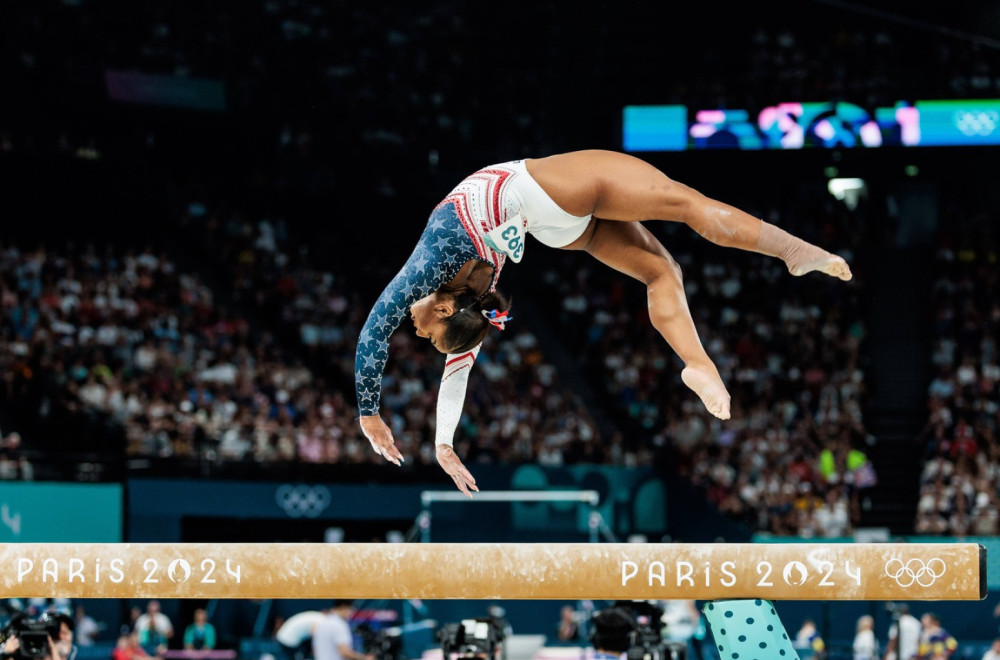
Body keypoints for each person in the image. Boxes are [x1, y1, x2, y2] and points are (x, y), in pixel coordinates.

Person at [354, 150, 853, 493]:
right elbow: (417, 349)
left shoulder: (443, 280)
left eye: (423, 335)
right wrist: (435, 441)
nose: (414, 331)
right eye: (425, 337)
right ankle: (791, 252)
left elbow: (381, 330)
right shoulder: (445, 282)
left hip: (550, 224)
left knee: (663, 271)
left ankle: (700, 362)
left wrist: (375, 415)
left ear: (445, 309)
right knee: (683, 204)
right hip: (553, 194)